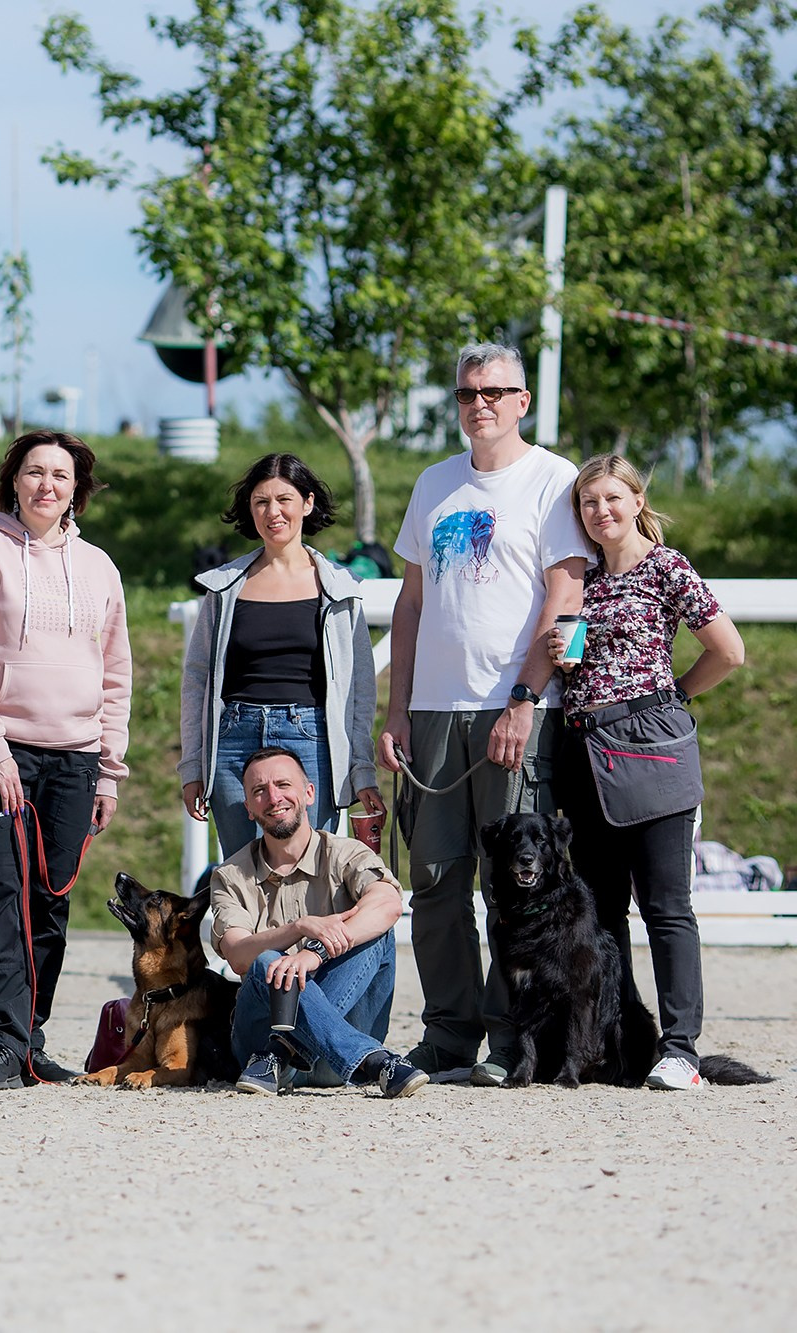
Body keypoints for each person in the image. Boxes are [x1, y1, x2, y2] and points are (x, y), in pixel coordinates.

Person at [379, 341, 592, 1087]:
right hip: (434, 710)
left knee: (514, 885)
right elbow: (410, 604)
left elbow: (566, 602)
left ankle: (511, 1039)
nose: (481, 404)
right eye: (468, 392)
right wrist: (399, 708)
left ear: (522, 401)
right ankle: (448, 1035)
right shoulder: (434, 483)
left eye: (495, 391)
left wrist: (525, 700)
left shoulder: (553, 480)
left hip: (513, 708)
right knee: (436, 879)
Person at [0, 431, 132, 1089]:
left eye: (61, 475)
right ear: (13, 480)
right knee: (4, 891)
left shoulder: (99, 567)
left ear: (78, 488)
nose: (48, 485)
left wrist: (109, 766)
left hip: (75, 756)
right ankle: (0, 1042)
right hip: (0, 752)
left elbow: (116, 671)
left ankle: (31, 1036)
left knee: (52, 899)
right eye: (35, 472)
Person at [549, 454, 745, 1091]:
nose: (599, 511)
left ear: (636, 501)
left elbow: (729, 651)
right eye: (587, 502)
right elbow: (572, 663)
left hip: (651, 744)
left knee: (666, 906)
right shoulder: (582, 581)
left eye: (611, 498)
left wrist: (675, 693)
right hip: (584, 749)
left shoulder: (667, 567)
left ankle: (681, 1047)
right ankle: (618, 1042)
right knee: (601, 911)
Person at [180, 452, 382, 858]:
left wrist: (361, 769)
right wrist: (193, 766)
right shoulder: (224, 589)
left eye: (284, 499)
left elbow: (360, 687)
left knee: (307, 873)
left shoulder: (340, 589)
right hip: (233, 741)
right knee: (241, 874)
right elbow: (197, 678)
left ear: (307, 504)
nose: (273, 512)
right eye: (261, 502)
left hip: (311, 740)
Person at [211, 747, 428, 1098]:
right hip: (260, 1051)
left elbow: (388, 902)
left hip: (321, 1059)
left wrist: (315, 953)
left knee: (376, 934)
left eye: (283, 784)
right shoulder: (231, 875)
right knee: (266, 960)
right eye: (259, 791)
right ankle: (374, 1061)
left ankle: (286, 1049)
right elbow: (236, 954)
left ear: (309, 793)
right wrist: (299, 928)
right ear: (248, 808)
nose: (273, 797)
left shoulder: (346, 853)